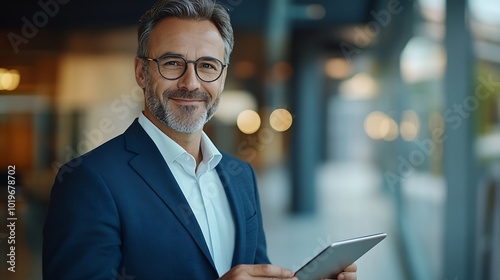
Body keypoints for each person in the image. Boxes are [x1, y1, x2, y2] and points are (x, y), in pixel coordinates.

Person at [43, 0, 358, 279]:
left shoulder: (241, 177)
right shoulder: (88, 181)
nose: (190, 83)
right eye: (172, 63)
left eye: (207, 66)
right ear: (141, 72)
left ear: (222, 76)